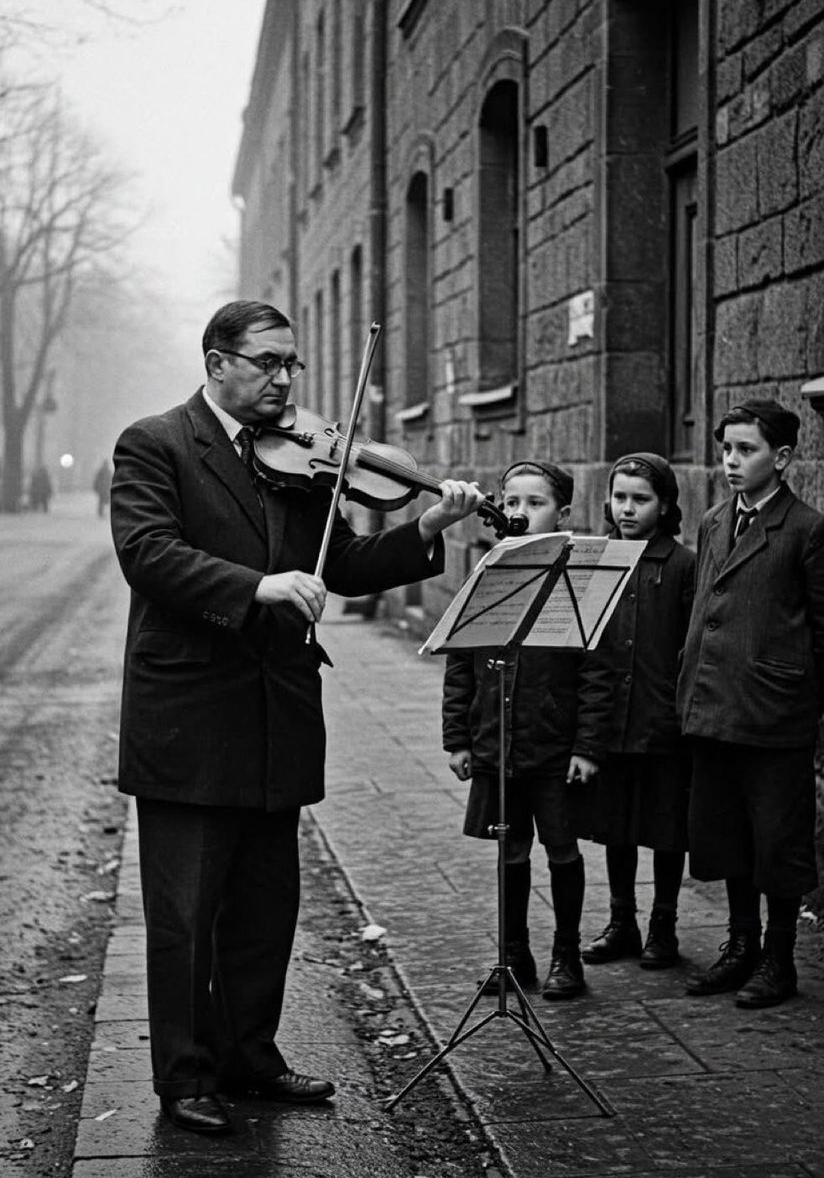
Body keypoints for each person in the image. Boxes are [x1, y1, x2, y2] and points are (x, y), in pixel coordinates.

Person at [109, 300, 485, 1136]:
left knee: (264, 905)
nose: (285, 379)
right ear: (217, 364)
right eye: (268, 362)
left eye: (292, 365)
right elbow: (148, 553)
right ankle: (186, 1076)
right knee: (185, 916)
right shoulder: (155, 443)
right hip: (189, 716)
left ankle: (251, 1054)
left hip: (277, 712)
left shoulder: (297, 458)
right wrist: (257, 587)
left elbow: (342, 566)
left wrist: (426, 524)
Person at [442, 460, 614, 1001]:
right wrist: (458, 737)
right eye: (511, 502)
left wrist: (586, 746)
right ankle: (514, 954)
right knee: (509, 852)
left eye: (534, 504)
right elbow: (458, 663)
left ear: (562, 514)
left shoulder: (577, 585)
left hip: (554, 748)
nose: (519, 513)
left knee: (562, 852)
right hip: (497, 746)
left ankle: (568, 954)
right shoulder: (486, 576)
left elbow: (597, 676)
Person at [678, 399, 824, 1008]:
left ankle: (779, 958)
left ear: (782, 458)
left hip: (773, 715)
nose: (731, 462)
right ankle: (740, 947)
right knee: (727, 835)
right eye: (726, 450)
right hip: (714, 706)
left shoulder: (806, 528)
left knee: (778, 841)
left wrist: (797, 699)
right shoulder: (714, 520)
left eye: (746, 450)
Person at [580, 454, 694, 970]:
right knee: (617, 826)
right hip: (611, 718)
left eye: (640, 499)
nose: (627, 508)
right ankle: (621, 920)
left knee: (666, 828)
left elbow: (691, 645)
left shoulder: (681, 564)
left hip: (661, 718)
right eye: (620, 497)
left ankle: (663, 925)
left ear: (664, 505)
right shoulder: (600, 558)